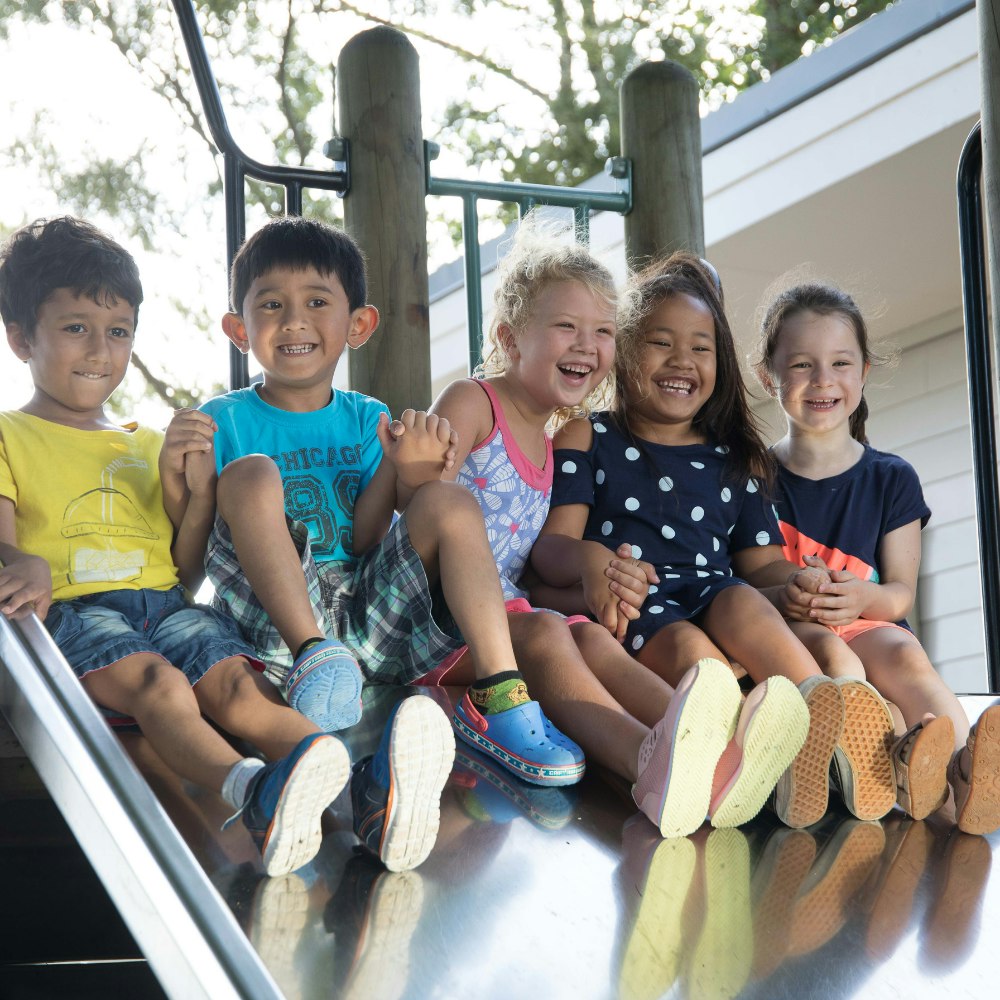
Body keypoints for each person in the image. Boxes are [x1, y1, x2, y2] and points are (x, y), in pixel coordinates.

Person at [192, 216, 596, 866]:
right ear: (240, 330)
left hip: (362, 627)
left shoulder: (369, 419)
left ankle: (502, 697)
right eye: (272, 305)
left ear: (357, 325)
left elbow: (364, 539)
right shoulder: (220, 421)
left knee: (447, 501)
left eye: (316, 303)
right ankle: (319, 676)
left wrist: (406, 477)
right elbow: (194, 562)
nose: (295, 322)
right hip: (275, 634)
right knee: (252, 476)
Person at [428, 221, 810, 837]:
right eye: (567, 327)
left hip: (520, 607)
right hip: (452, 621)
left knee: (589, 638)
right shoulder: (490, 407)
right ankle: (652, 760)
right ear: (509, 336)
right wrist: (590, 564)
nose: (585, 344)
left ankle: (714, 755)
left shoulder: (554, 438)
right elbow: (428, 504)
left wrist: (592, 572)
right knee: (563, 634)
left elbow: (540, 562)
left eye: (601, 331)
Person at [0, 216, 348, 878]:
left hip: (165, 605)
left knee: (237, 689)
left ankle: (361, 785)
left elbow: (185, 571)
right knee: (163, 685)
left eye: (119, 331)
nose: (101, 349)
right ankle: (252, 792)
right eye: (76, 327)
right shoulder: (9, 434)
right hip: (79, 612)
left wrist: (193, 494)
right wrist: (24, 562)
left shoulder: (145, 443)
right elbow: (8, 550)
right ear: (21, 338)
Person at [534, 252, 898, 829]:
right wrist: (593, 564)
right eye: (660, 342)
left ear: (720, 362)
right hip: (638, 604)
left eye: (700, 347)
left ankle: (815, 711)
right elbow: (551, 548)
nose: (682, 360)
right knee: (691, 654)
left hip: (713, 594)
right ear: (623, 350)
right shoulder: (589, 435)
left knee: (742, 599)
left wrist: (799, 582)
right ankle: (751, 765)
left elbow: (762, 567)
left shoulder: (735, 458)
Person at [751, 281, 1000, 835]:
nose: (823, 380)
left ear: (863, 372)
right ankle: (904, 762)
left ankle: (965, 766)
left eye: (840, 363)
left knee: (907, 661)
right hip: (789, 636)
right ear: (768, 374)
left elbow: (900, 592)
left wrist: (864, 597)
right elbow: (742, 581)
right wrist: (787, 591)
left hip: (867, 621)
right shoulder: (751, 480)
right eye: (802, 364)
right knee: (852, 680)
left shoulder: (891, 478)